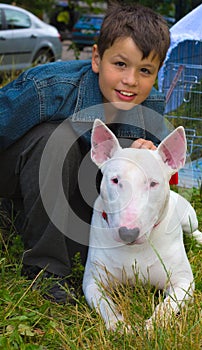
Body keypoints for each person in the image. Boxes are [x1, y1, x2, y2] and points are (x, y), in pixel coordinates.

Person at [0, 2, 173, 303]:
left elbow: (151, 189)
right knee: (54, 139)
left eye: (145, 70)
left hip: (72, 194)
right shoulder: (49, 87)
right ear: (96, 58)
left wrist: (146, 160)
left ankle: (32, 225)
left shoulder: (150, 109)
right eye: (120, 64)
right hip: (17, 172)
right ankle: (45, 270)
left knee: (88, 247)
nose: (130, 80)